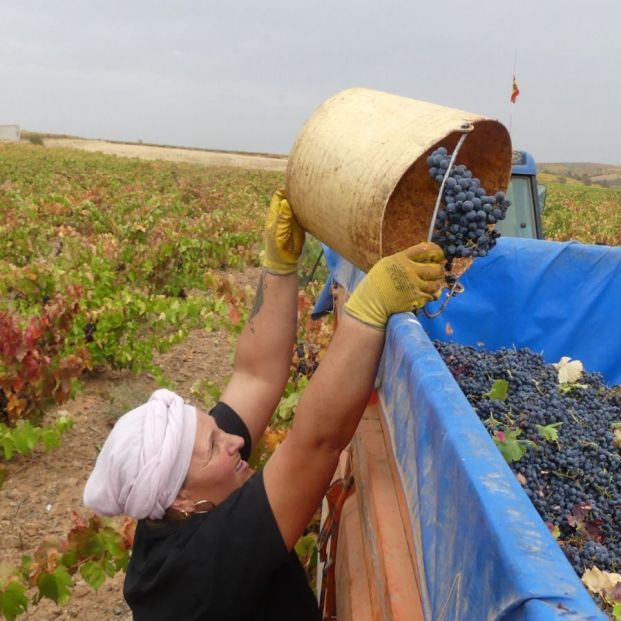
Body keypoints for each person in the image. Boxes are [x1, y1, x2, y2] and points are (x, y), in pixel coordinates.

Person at [83, 190, 445, 620]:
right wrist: (367, 312)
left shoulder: (180, 495)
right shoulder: (200, 569)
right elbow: (317, 444)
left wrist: (278, 265)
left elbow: (254, 376)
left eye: (215, 430)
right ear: (179, 498)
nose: (235, 440)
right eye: (215, 447)